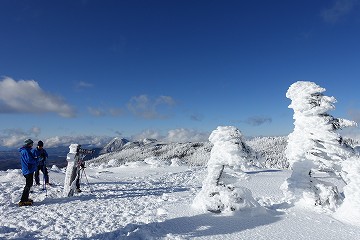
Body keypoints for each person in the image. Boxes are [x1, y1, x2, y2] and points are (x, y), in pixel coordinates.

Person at [18, 139, 38, 206]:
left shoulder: (26, 150)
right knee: (28, 185)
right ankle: (23, 200)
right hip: (28, 170)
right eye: (31, 144)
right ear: (28, 144)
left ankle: (25, 198)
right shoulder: (25, 151)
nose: (32, 145)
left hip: (29, 170)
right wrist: (37, 159)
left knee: (29, 184)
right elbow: (29, 160)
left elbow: (30, 159)